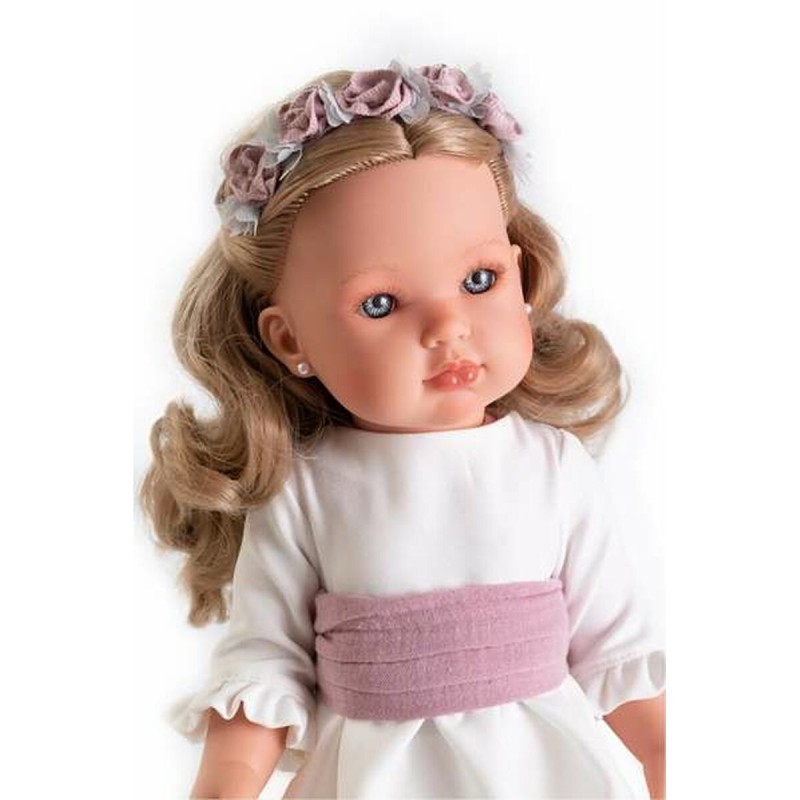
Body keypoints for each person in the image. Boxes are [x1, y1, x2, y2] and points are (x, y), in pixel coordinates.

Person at [139, 59, 666, 798]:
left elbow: (617, 648)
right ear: (290, 340)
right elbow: (265, 660)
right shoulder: (306, 491)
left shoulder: (552, 467)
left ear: (519, 276)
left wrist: (664, 755)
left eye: (479, 281)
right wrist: (226, 781)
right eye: (381, 304)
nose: (449, 327)